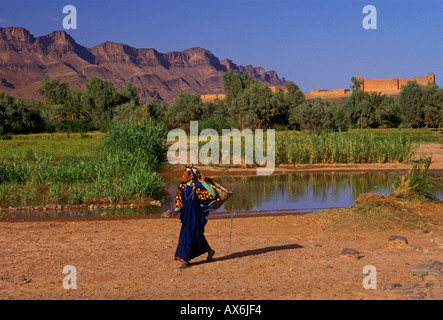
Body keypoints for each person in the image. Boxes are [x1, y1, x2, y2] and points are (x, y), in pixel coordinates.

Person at [173, 164, 217, 269]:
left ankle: (186, 260)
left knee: (193, 235)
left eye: (185, 175)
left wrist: (204, 183)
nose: (182, 177)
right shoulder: (182, 186)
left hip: (196, 216)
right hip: (186, 215)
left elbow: (212, 194)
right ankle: (208, 251)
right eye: (182, 175)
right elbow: (179, 199)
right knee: (190, 236)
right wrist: (176, 210)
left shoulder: (198, 186)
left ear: (191, 176)